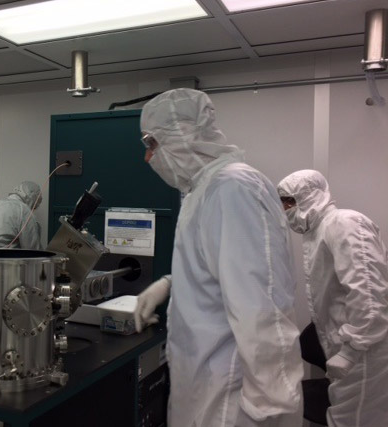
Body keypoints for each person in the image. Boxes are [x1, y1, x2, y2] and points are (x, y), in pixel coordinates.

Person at [133, 88, 303, 427]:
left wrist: (269, 406)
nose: (148, 159)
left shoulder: (233, 187)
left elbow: (261, 308)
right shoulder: (202, 190)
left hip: (232, 401)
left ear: (184, 135)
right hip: (202, 387)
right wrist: (170, 284)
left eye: (152, 144)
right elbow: (221, 269)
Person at [277, 169, 388, 427]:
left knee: (353, 420)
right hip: (348, 347)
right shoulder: (318, 232)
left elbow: (369, 295)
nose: (285, 209)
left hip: (365, 352)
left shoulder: (345, 223)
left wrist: (351, 351)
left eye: (290, 201)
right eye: (282, 203)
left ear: (312, 196)